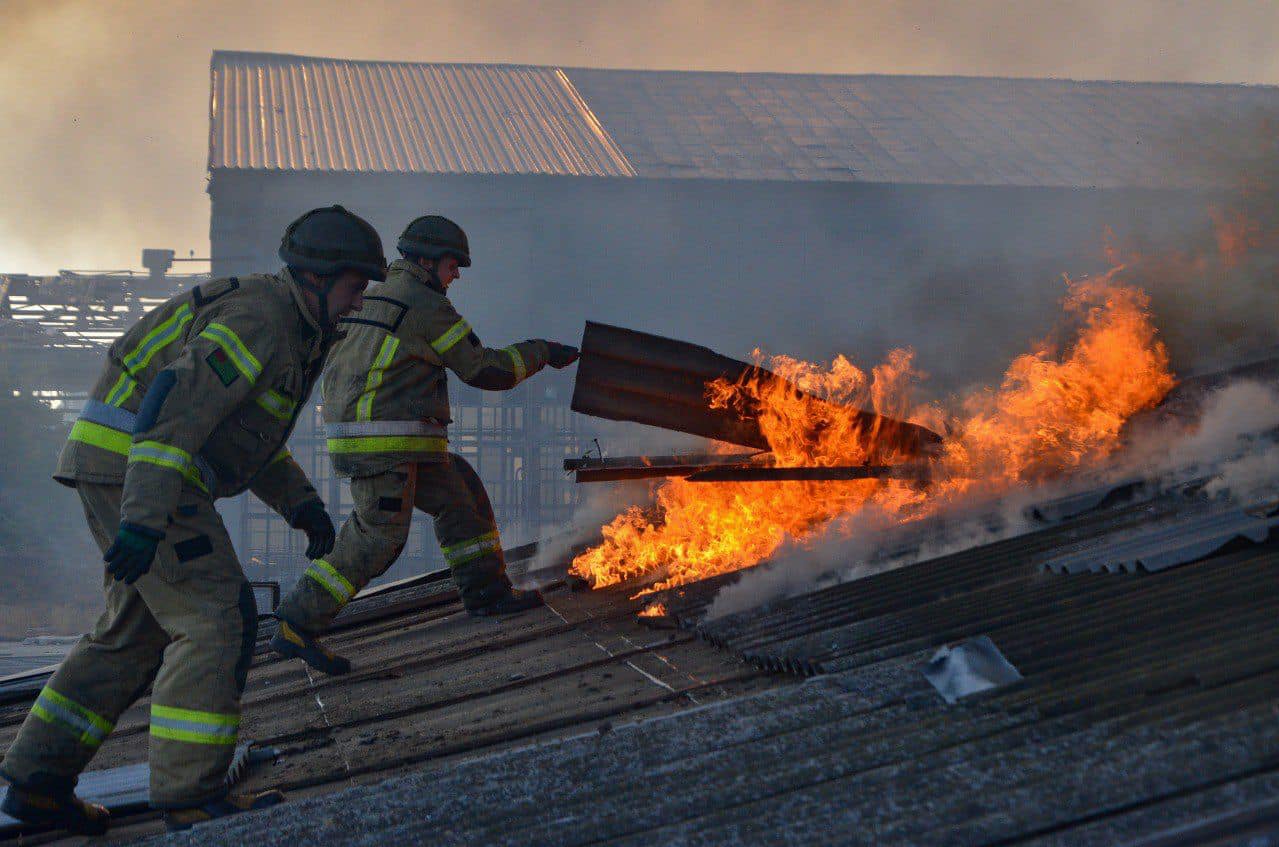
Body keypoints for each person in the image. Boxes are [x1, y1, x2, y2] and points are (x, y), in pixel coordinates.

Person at [0, 205, 386, 833]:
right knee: (215, 618)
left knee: (133, 633)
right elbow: (172, 410)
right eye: (354, 285)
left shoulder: (293, 326)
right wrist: (144, 520)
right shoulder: (262, 321)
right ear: (315, 278)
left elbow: (243, 434)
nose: (359, 300)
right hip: (140, 470)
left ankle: (36, 782)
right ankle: (189, 795)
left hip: (123, 468)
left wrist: (301, 503)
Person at [270, 215, 579, 676]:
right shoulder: (424, 305)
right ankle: (297, 621)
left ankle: (488, 593)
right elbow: (485, 370)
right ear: (430, 261)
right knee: (379, 537)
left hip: (395, 439)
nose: (456, 277)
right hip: (383, 444)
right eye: (454, 266)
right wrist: (543, 352)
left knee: (460, 493)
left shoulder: (377, 296)